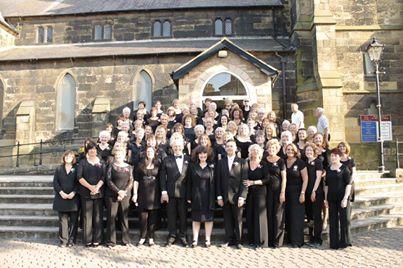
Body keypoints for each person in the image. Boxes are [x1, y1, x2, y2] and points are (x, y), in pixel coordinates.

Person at [216, 139, 248, 249]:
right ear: (225, 148)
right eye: (228, 146)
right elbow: (218, 181)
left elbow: (245, 181)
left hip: (237, 196)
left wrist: (242, 196)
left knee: (238, 219)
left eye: (231, 146)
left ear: (235, 148)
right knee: (227, 219)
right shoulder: (220, 162)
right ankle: (229, 240)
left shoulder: (242, 162)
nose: (229, 148)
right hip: (225, 196)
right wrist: (219, 196)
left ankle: (239, 241)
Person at [160, 137, 190, 247]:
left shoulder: (188, 159)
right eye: (175, 146)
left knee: (183, 215)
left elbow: (191, 177)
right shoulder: (166, 159)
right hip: (170, 192)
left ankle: (183, 236)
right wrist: (164, 192)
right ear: (172, 148)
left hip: (184, 192)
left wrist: (190, 194)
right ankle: (172, 236)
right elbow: (162, 177)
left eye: (179, 146)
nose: (177, 148)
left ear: (183, 147)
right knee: (171, 215)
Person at [77, 140, 106, 247]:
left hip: (99, 192)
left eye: (94, 149)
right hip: (85, 192)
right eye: (90, 149)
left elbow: (104, 176)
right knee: (87, 216)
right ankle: (87, 239)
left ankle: (97, 239)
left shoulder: (101, 162)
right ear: (87, 151)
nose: (93, 151)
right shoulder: (83, 162)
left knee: (98, 216)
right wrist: (90, 187)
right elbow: (79, 177)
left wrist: (97, 187)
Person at [187, 146, 215, 248]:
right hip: (196, 195)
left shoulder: (212, 167)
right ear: (197, 155)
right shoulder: (192, 166)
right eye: (200, 154)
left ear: (207, 155)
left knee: (208, 218)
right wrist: (189, 196)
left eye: (204, 154)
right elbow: (189, 182)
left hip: (209, 196)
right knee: (196, 218)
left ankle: (208, 239)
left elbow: (215, 183)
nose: (202, 155)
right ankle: (195, 239)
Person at [324, 148, 352, 249]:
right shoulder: (328, 168)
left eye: (335, 156)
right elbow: (326, 185)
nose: (333, 157)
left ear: (340, 157)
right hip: (331, 198)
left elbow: (348, 184)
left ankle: (344, 242)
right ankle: (334, 243)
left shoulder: (345, 168)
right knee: (333, 221)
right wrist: (326, 199)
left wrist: (345, 198)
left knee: (344, 220)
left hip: (342, 198)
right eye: (332, 156)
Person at [133, 146, 161, 246]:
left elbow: (161, 179)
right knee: (143, 217)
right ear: (145, 153)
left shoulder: (158, 164)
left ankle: (151, 238)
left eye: (151, 151)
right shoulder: (140, 164)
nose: (149, 153)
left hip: (154, 194)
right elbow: (136, 180)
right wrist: (135, 193)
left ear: (154, 153)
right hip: (142, 193)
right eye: (148, 151)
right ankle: (142, 237)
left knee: (153, 217)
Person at [105, 149, 133, 247]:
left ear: (124, 156)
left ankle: (126, 240)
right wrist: (118, 191)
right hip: (112, 195)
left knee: (124, 218)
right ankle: (111, 241)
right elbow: (108, 180)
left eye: (120, 155)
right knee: (111, 218)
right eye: (116, 155)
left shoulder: (129, 167)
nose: (118, 157)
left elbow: (131, 180)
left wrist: (124, 192)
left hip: (125, 195)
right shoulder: (111, 166)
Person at [244, 144, 269, 248]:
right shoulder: (246, 163)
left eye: (256, 150)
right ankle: (251, 240)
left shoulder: (263, 164)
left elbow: (267, 179)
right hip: (249, 193)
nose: (254, 152)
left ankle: (260, 241)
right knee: (250, 215)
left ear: (260, 152)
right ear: (250, 152)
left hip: (260, 192)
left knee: (259, 216)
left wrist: (253, 182)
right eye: (252, 150)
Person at [53, 150, 79, 247]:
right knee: (63, 220)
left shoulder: (77, 168)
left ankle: (71, 240)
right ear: (64, 158)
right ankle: (63, 240)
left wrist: (74, 192)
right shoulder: (59, 168)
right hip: (61, 197)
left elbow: (78, 182)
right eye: (67, 156)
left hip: (74, 198)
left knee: (73, 221)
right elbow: (55, 182)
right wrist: (61, 192)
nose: (68, 158)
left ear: (73, 158)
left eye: (70, 157)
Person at [264, 139, 286, 248]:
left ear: (277, 149)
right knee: (269, 214)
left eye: (273, 148)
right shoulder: (264, 160)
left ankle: (277, 241)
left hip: (278, 191)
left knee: (278, 216)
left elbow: (284, 177)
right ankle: (269, 240)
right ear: (267, 149)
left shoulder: (281, 161)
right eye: (269, 148)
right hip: (266, 192)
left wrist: (282, 192)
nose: (271, 150)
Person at [284, 143, 308, 247]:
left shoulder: (300, 162)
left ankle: (297, 241)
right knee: (288, 216)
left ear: (295, 151)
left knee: (296, 217)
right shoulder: (283, 161)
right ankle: (289, 239)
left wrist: (303, 193)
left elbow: (306, 179)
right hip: (286, 192)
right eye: (288, 149)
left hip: (297, 192)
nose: (289, 151)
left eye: (291, 149)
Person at [303, 143, 324, 246]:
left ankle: (318, 239)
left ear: (314, 151)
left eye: (310, 150)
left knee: (316, 216)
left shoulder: (318, 162)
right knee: (310, 216)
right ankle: (311, 238)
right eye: (307, 150)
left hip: (316, 192)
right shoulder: (305, 162)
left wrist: (314, 191)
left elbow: (318, 178)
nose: (309, 152)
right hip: (307, 192)